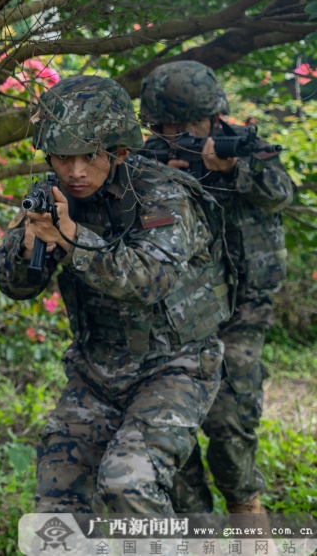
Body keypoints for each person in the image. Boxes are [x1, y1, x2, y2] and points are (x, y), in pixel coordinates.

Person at [0, 75, 232, 515]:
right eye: (63, 158)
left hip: (174, 368)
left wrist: (71, 239)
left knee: (128, 484)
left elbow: (148, 280)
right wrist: (29, 246)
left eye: (89, 157)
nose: (75, 171)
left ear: (119, 152)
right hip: (95, 371)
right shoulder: (54, 196)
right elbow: (13, 286)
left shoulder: (162, 195)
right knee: (56, 494)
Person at [139, 61, 294, 515]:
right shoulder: (148, 159)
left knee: (230, 427)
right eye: (169, 125)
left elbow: (280, 192)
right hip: (176, 315)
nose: (181, 132)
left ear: (214, 116)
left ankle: (248, 513)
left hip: (242, 311)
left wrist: (231, 170)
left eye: (190, 123)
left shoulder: (244, 147)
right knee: (177, 442)